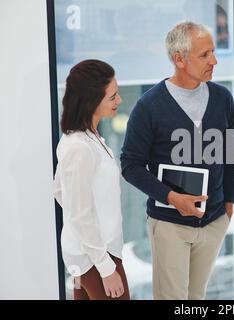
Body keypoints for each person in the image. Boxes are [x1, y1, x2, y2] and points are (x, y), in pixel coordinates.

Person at [120, 22, 234, 300]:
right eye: (205, 54)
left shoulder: (223, 98)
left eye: (213, 52)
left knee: (196, 298)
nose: (214, 60)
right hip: (170, 225)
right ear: (179, 59)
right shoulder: (148, 106)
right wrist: (172, 197)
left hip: (213, 222)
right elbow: (130, 165)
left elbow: (231, 154)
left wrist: (228, 204)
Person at [53, 59, 129, 300]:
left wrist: (82, 219)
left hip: (91, 255)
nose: (119, 101)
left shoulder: (87, 138)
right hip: (96, 259)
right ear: (91, 101)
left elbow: (60, 191)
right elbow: (79, 212)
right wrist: (106, 268)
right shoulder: (80, 147)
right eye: (112, 96)